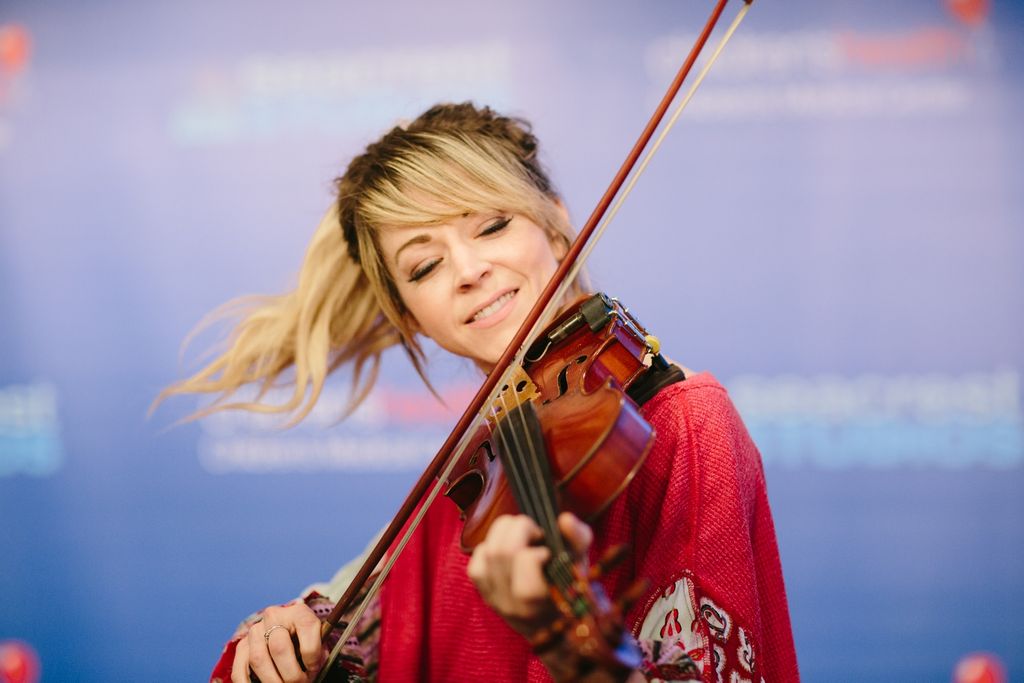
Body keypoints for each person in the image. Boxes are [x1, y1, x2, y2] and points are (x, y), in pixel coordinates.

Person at [162, 102, 799, 682]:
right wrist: (295, 631)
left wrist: (562, 639)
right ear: (408, 314)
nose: (469, 271)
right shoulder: (481, 476)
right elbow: (355, 622)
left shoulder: (686, 420)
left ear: (557, 226)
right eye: (425, 265)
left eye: (491, 226)